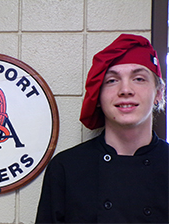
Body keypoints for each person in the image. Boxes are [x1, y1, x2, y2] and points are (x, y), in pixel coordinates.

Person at [35, 34, 168, 223]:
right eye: (112, 81)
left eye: (139, 79)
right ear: (98, 96)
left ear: (159, 93)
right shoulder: (66, 168)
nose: (125, 90)